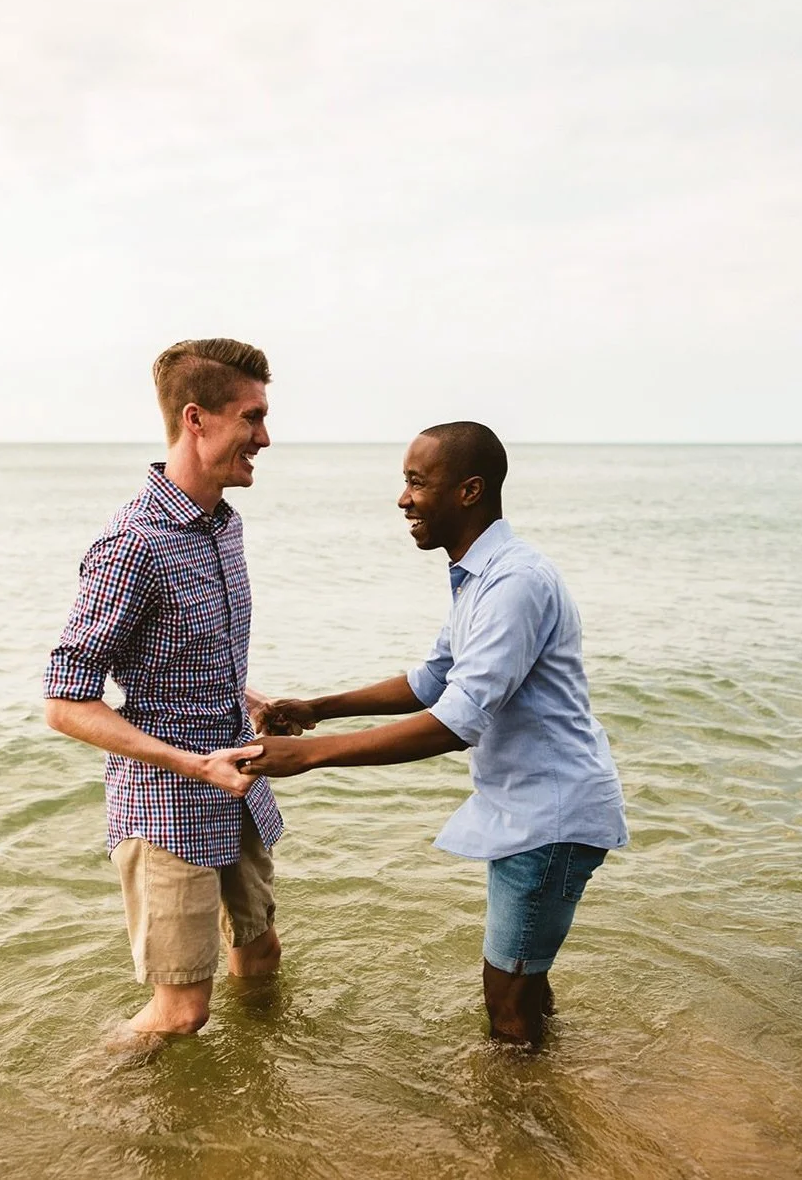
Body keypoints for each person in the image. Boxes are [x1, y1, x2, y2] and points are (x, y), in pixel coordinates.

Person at [243, 421, 628, 1046]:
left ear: (470, 491)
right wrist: (316, 707)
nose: (403, 499)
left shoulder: (514, 582)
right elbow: (434, 678)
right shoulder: (480, 575)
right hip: (527, 811)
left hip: (549, 817)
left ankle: (522, 1134)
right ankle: (555, 1097)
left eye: (417, 483)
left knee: (507, 1007)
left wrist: (308, 756)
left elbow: (456, 721)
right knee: (525, 985)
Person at [43, 338, 285, 1040]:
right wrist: (192, 763)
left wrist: (250, 699)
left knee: (260, 955)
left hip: (235, 785)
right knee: (182, 1013)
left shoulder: (221, 527)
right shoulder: (134, 543)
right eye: (252, 417)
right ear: (196, 419)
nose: (264, 438)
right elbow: (65, 701)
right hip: (169, 806)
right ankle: (85, 1107)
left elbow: (182, 660)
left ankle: (258, 1103)